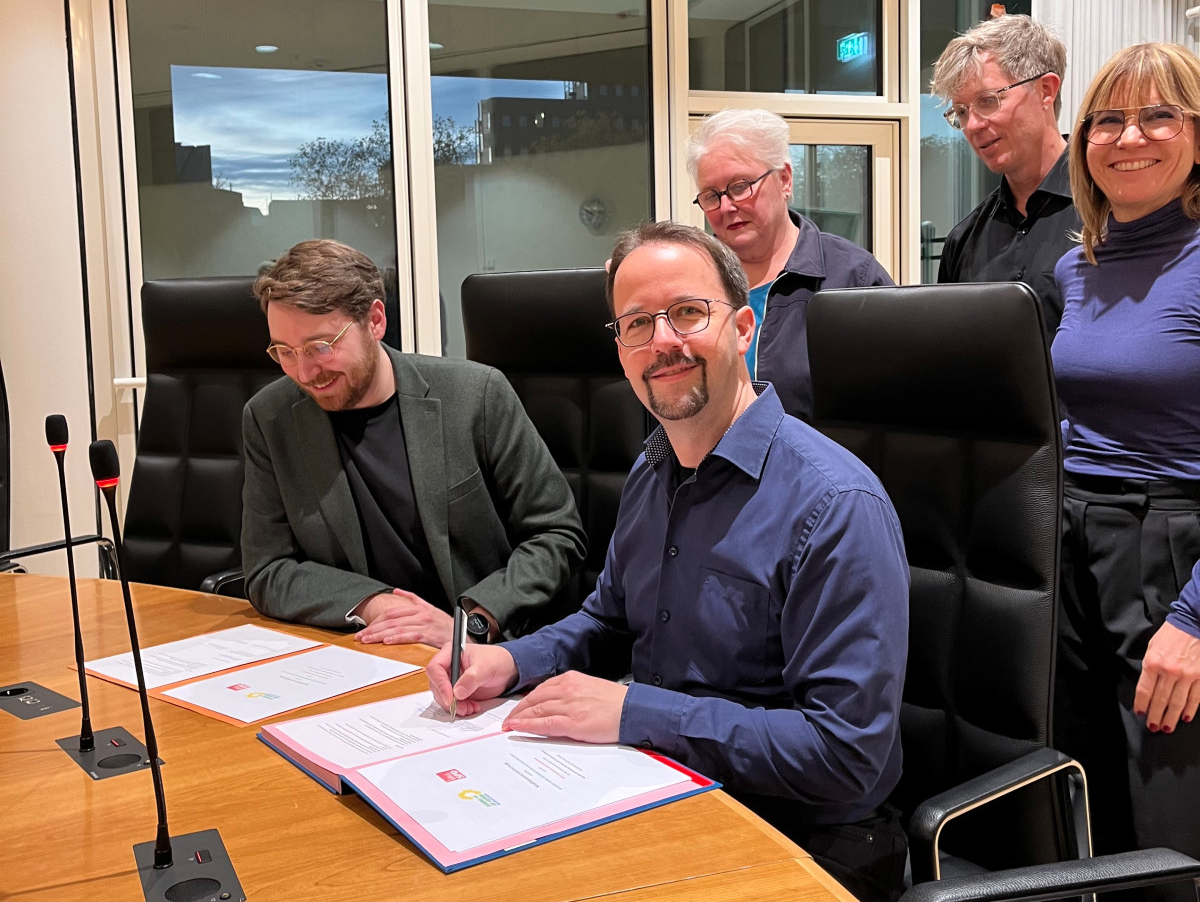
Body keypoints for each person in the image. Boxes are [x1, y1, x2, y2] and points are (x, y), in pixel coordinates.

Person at [428, 222, 910, 902]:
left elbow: (844, 753)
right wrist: (510, 660)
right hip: (662, 789)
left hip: (807, 841)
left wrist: (635, 711)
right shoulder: (653, 469)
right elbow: (608, 619)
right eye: (637, 323)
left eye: (687, 312)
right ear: (621, 350)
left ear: (743, 328)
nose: (662, 341)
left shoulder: (835, 504)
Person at [241, 239, 586, 646]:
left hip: (486, 651)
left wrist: (470, 625)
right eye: (284, 351)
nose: (303, 372)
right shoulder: (270, 417)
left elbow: (556, 536)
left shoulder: (475, 395)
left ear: (375, 321)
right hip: (360, 649)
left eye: (320, 347)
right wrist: (374, 604)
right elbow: (268, 569)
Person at [1052, 42, 1200, 891]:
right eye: (1106, 119)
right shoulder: (1080, 263)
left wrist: (1196, 618)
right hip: (1076, 544)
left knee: (1170, 827)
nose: (1128, 136)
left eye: (1159, 115)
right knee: (1093, 804)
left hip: (1172, 553)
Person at [686, 108, 892, 422]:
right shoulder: (689, 279)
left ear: (784, 179)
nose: (726, 206)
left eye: (740, 186)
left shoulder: (853, 278)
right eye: (711, 196)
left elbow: (889, 412)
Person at [931, 14, 1079, 342]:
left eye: (988, 101)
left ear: (1045, 90)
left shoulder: (1111, 214)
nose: (972, 125)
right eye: (962, 112)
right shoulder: (963, 240)